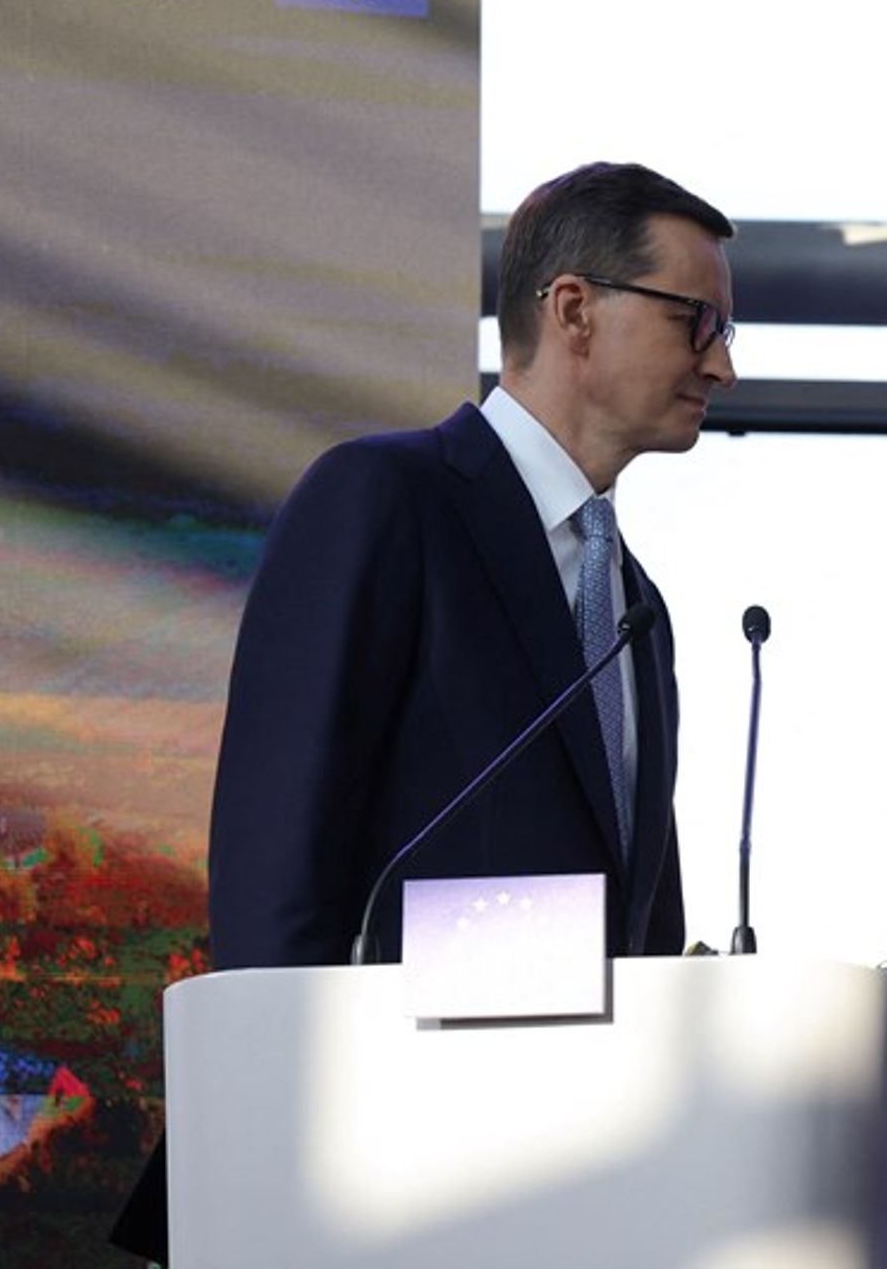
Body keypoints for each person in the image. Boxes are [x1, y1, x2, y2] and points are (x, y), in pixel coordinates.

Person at [207, 160, 737, 967]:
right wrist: (274, 1085)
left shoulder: (639, 610)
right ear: (574, 310)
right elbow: (273, 861)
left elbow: (640, 929)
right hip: (382, 1087)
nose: (721, 366)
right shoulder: (382, 500)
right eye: (696, 322)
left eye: (724, 334)